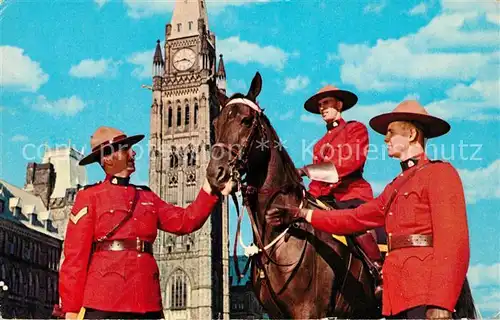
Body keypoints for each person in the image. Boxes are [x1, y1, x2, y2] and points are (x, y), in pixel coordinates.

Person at [267, 100, 470, 319]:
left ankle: (374, 268)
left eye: (391, 132)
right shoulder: (394, 186)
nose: (385, 139)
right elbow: (355, 218)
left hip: (426, 294)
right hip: (397, 299)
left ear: (411, 134)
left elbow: (453, 244)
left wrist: (441, 302)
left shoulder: (440, 174)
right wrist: (303, 213)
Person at [57, 126, 233, 319]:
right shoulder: (90, 197)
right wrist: (71, 310)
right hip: (105, 302)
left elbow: (185, 221)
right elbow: (74, 259)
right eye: (125, 149)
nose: (133, 153)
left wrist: (211, 188)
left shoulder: (146, 196)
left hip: (146, 301)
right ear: (107, 158)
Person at [299, 85, 383, 283]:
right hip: (325, 199)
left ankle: (377, 270)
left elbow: (349, 162)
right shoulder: (320, 144)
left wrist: (307, 170)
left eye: (326, 103)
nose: (322, 108)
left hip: (351, 195)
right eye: (320, 105)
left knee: (354, 222)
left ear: (339, 104)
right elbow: (317, 184)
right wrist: (307, 197)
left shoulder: (355, 129)